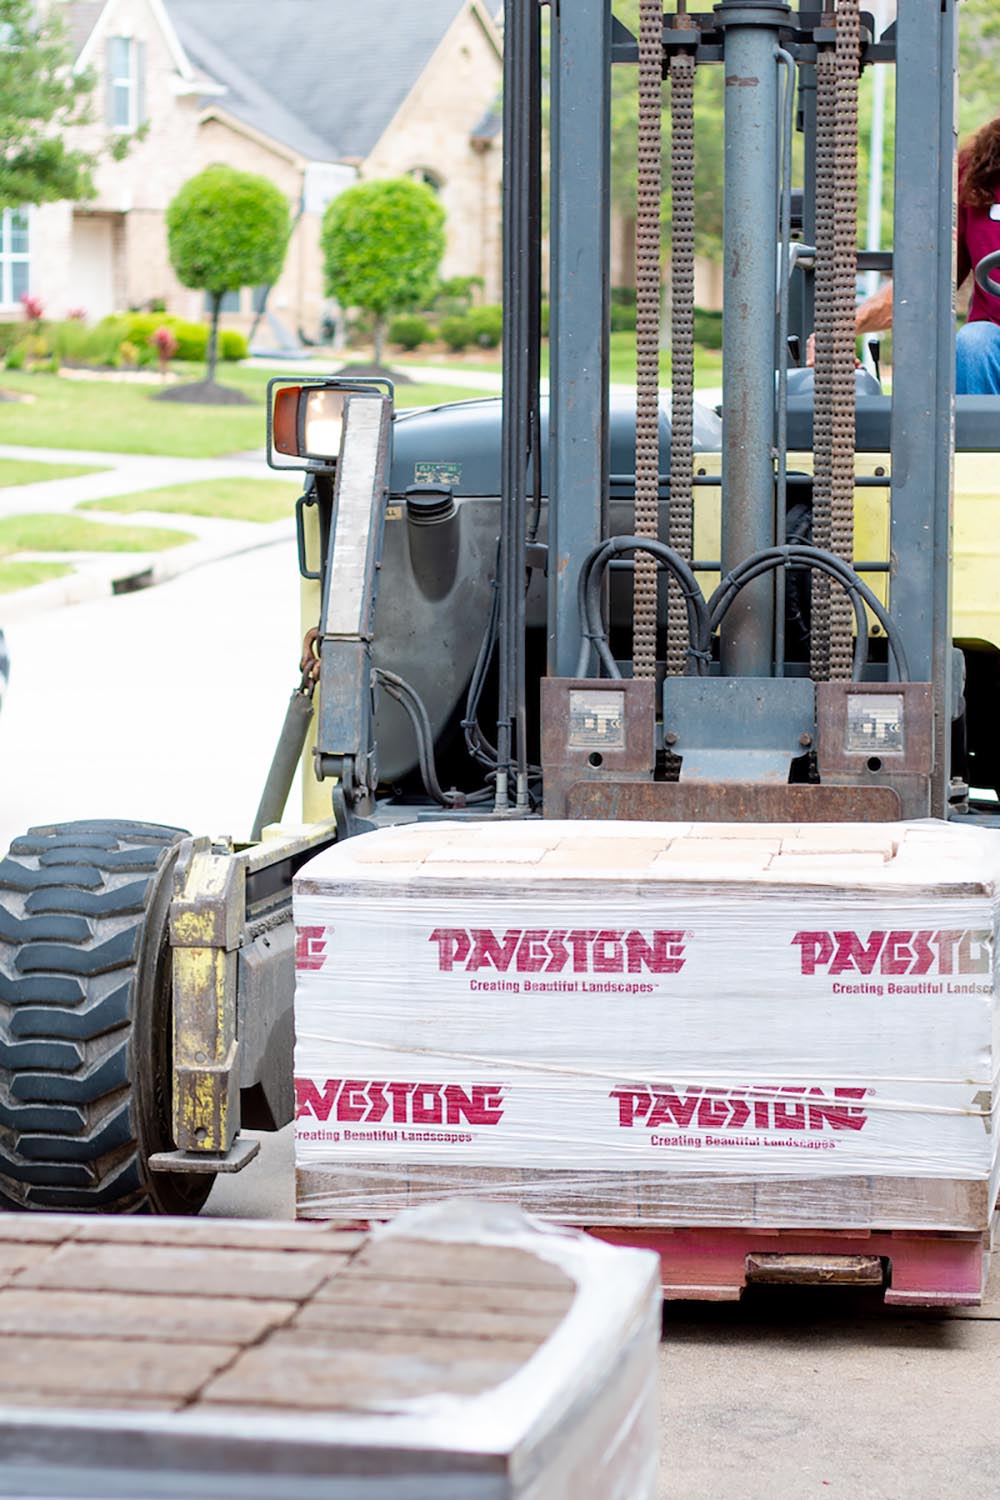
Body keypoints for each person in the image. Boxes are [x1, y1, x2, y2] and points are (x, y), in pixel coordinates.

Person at [811, 113, 1000, 394]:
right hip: (994, 338)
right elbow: (926, 281)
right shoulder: (979, 171)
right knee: (973, 343)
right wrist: (847, 327)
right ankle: (975, 439)